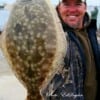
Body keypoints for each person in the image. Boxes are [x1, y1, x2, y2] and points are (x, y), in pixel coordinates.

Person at [41, 0, 100, 100]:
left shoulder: (92, 33)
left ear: (85, 7)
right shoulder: (51, 36)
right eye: (66, 4)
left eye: (77, 4)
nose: (72, 10)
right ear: (59, 7)